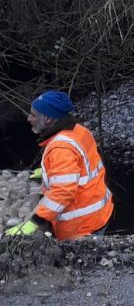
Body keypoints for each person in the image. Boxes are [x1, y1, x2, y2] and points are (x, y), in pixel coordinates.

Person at [3, 91, 113, 241]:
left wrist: (34, 222)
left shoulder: (61, 148)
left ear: (48, 119)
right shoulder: (79, 131)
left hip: (81, 226)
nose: (29, 119)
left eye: (34, 115)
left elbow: (63, 191)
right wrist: (47, 171)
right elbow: (80, 165)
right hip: (98, 213)